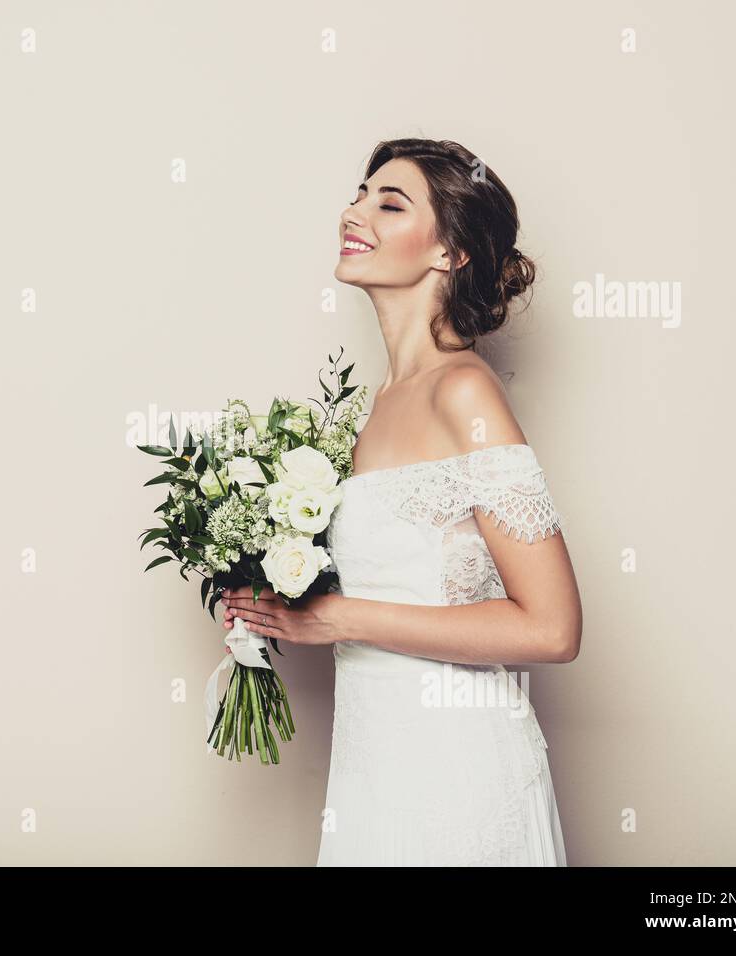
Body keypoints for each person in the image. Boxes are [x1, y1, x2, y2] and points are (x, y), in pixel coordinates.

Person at [219, 138, 582, 866]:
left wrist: (340, 619)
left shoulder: (464, 391)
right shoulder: (371, 409)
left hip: (457, 776)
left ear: (449, 253)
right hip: (373, 767)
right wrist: (275, 596)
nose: (355, 212)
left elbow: (552, 628)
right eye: (360, 194)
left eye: (390, 203)